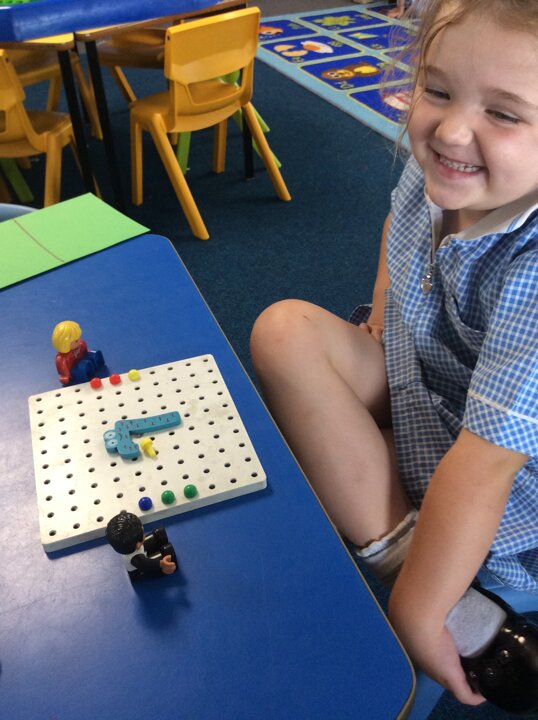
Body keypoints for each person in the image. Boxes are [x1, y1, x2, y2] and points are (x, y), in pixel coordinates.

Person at [250, 0, 538, 711]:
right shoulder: (446, 167)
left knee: (402, 600)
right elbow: (398, 221)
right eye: (436, 89)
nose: (452, 130)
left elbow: (487, 464)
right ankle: (403, 538)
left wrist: (415, 607)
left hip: (505, 470)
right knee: (282, 332)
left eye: (504, 114)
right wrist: (383, 315)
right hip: (428, 381)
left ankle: (428, 570)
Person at [106, 512, 178, 582]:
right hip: (140, 571)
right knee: (167, 551)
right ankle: (165, 570)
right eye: (143, 532)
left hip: (141, 551)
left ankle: (159, 540)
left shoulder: (129, 546)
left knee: (158, 534)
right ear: (138, 544)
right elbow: (148, 565)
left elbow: (140, 544)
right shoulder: (135, 558)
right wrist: (162, 563)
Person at [51, 320, 105, 385]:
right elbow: (63, 371)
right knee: (81, 369)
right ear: (65, 344)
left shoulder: (81, 344)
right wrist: (65, 377)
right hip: (77, 371)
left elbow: (86, 352)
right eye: (76, 341)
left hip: (85, 363)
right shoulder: (61, 359)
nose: (79, 341)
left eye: (79, 337)